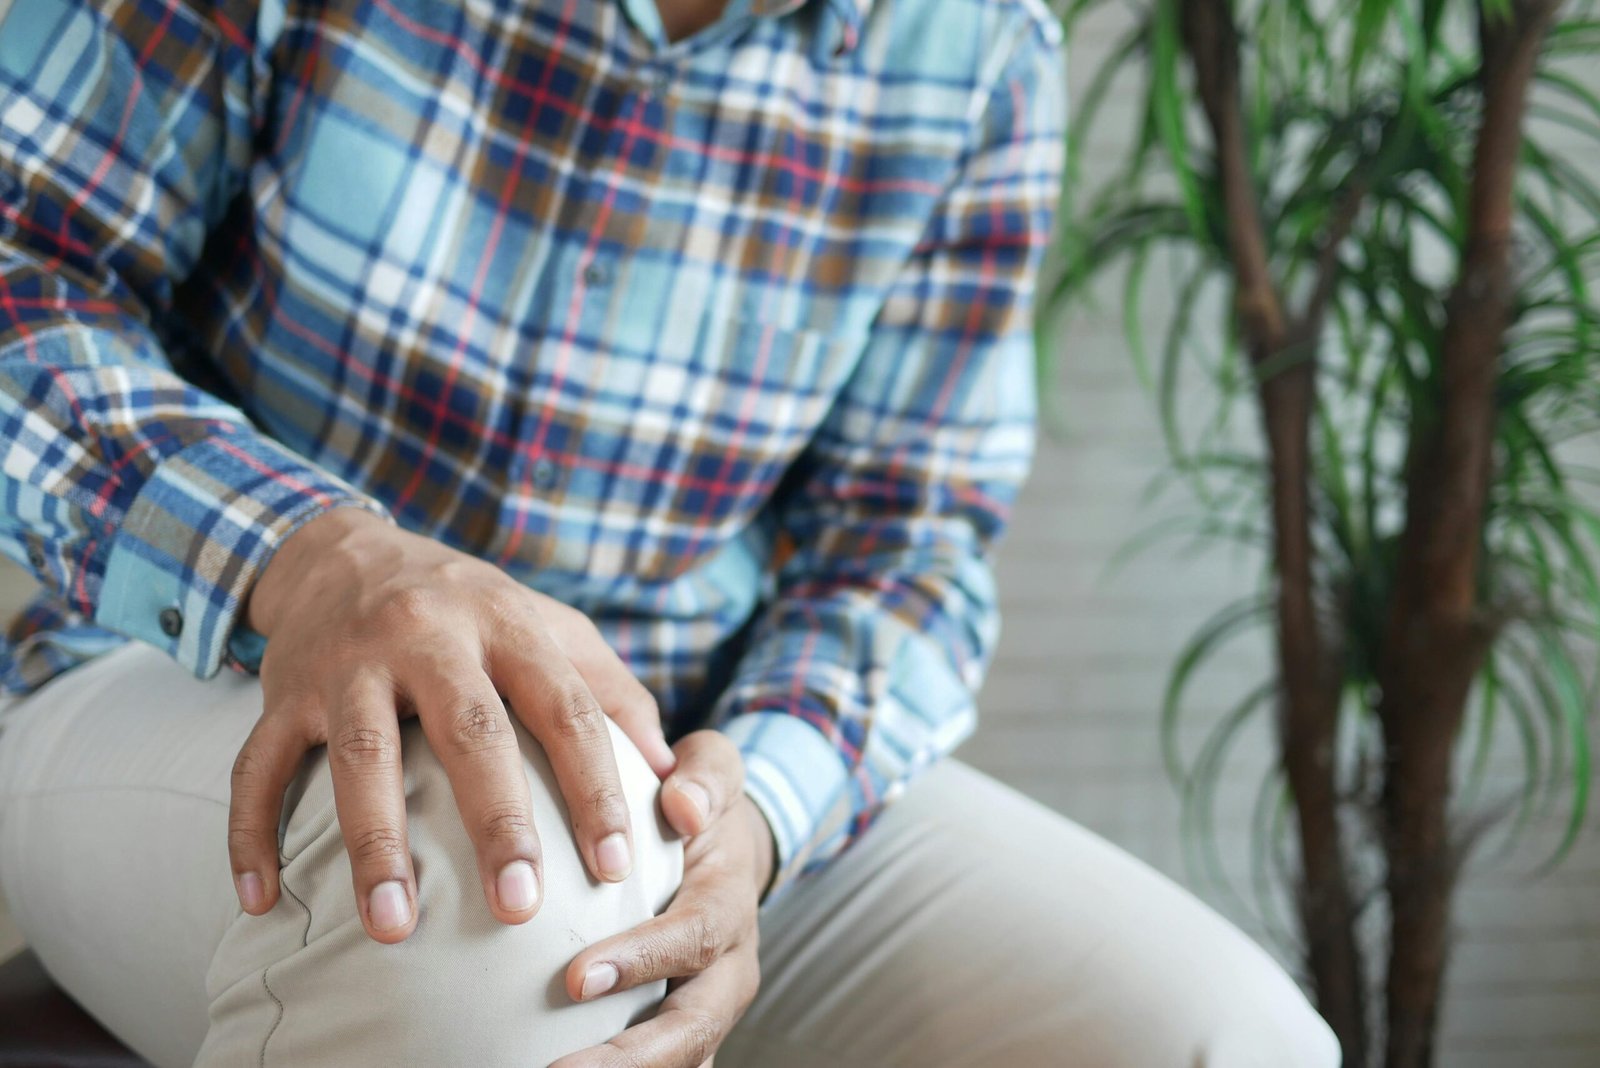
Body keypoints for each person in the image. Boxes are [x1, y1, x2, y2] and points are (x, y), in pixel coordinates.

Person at [0, 0, 1342, 1064]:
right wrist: (314, 559)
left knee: (1230, 1040)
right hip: (191, 676)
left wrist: (750, 813)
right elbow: (24, 268)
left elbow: (905, 542)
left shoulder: (978, 43)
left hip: (682, 748)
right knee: (487, 887)